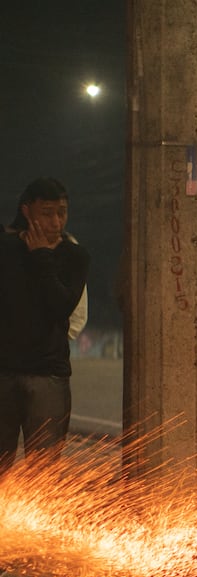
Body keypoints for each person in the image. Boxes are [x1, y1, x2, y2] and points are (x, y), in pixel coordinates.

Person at [0, 178, 88, 473]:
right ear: (27, 211)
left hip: (48, 375)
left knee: (43, 473)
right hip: (4, 372)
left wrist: (42, 256)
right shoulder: (7, 249)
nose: (56, 221)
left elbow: (60, 306)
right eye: (47, 212)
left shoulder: (74, 256)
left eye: (61, 212)